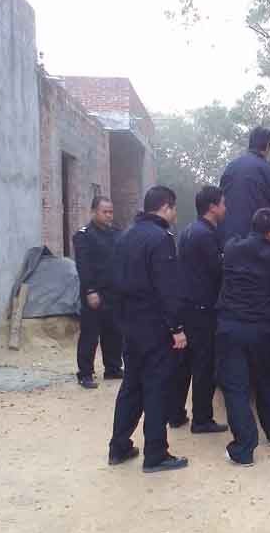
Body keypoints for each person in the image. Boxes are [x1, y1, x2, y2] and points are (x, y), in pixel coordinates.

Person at [107, 186, 189, 473]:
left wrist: (121, 320)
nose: (175, 214)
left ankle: (119, 447)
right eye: (174, 208)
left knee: (131, 386)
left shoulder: (125, 236)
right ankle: (156, 454)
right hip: (154, 327)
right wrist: (176, 327)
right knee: (156, 387)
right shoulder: (161, 239)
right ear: (165, 207)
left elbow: (113, 282)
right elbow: (167, 288)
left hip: (130, 325)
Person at [215, 208, 270, 466]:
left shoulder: (232, 248)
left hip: (230, 327)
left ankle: (244, 449)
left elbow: (242, 241)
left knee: (236, 388)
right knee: (265, 380)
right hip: (260, 329)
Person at [171, 185, 229, 434]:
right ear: (212, 207)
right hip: (203, 308)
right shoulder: (206, 235)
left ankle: (175, 414)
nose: (226, 208)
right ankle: (202, 419)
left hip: (187, 305)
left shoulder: (188, 231)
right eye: (223, 204)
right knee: (204, 365)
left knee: (184, 364)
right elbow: (217, 270)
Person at [73, 196, 123, 389]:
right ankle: (85, 373)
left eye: (111, 211)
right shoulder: (84, 236)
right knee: (90, 334)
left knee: (114, 332)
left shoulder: (116, 234)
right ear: (94, 211)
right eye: (105, 212)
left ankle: (113, 368)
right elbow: (83, 266)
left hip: (113, 292)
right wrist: (90, 290)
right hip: (94, 292)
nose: (109, 215)